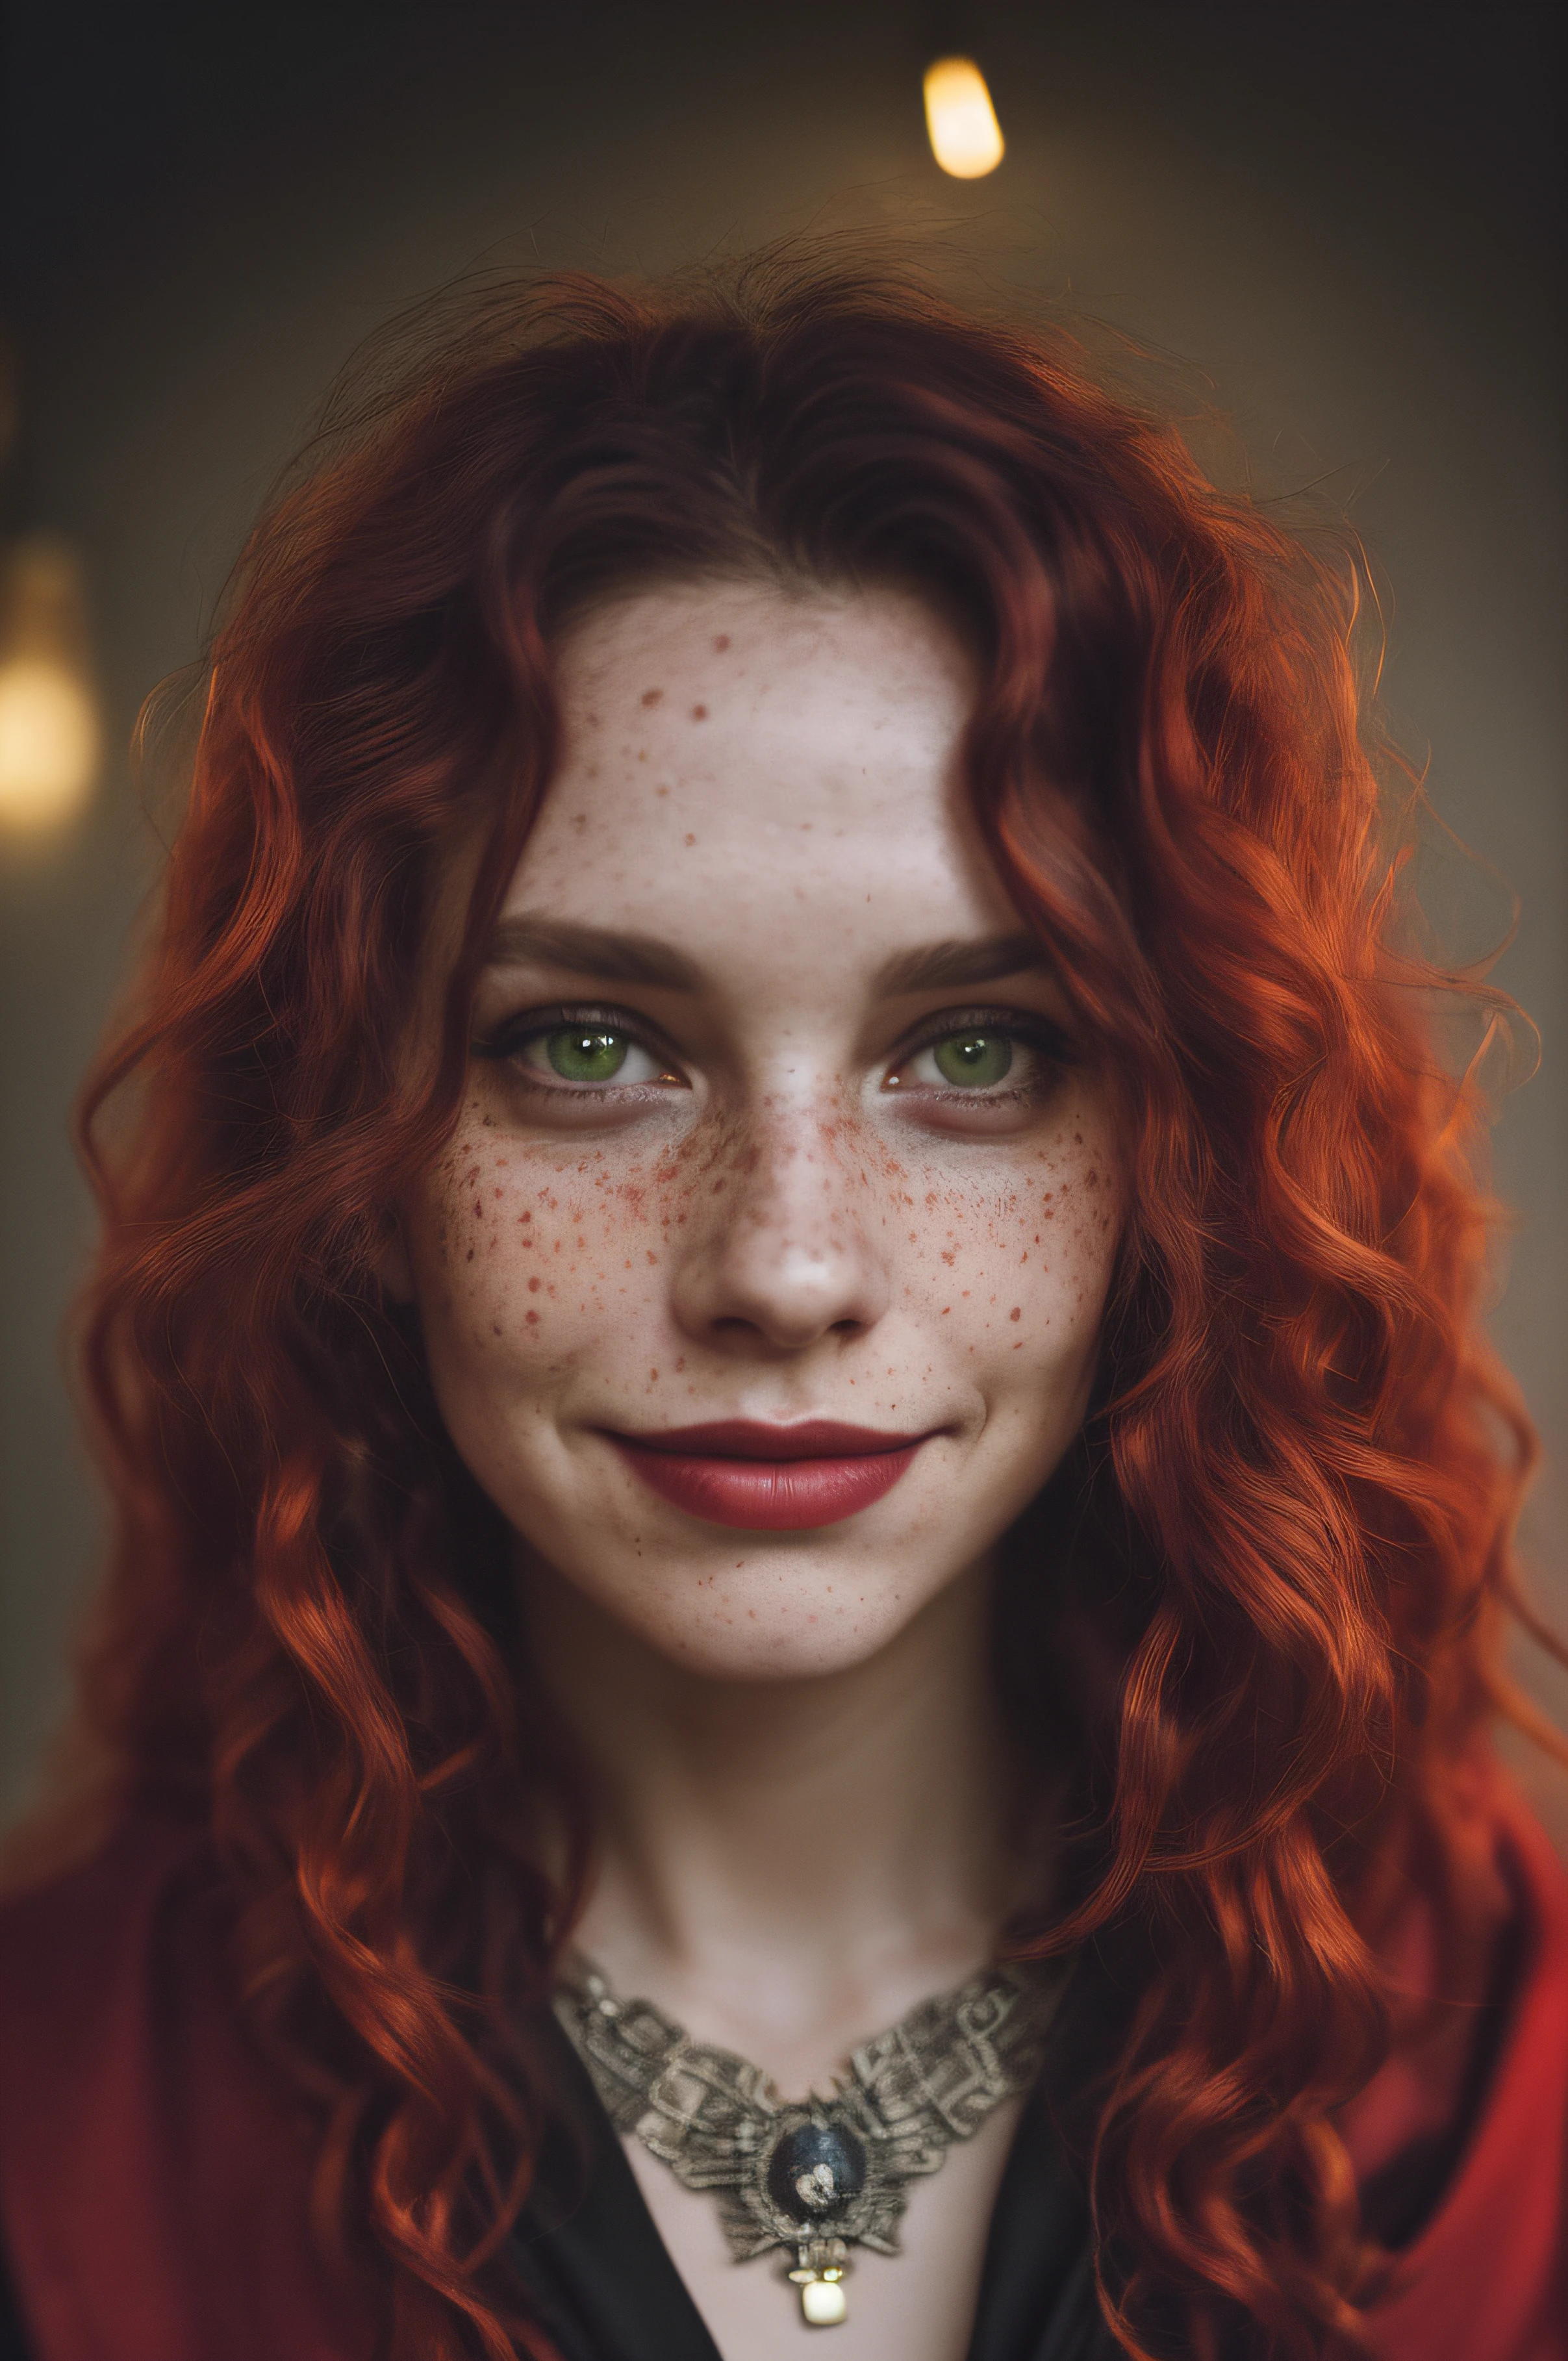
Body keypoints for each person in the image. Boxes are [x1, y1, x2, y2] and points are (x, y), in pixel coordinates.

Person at [0, 256, 1563, 2361]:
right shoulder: (61, 2116)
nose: (786, 1269)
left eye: (982, 1051)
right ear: (351, 1162)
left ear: (1177, 1163)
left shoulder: (1488, 2082)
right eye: (585, 1047)